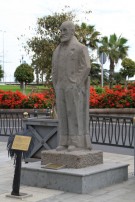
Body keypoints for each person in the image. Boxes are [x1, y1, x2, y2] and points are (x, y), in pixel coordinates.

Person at [52, 21, 92, 152]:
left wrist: (77, 82)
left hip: (73, 86)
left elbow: (86, 66)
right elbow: (54, 69)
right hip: (60, 86)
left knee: (73, 114)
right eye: (61, 30)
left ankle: (75, 142)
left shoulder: (80, 48)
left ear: (72, 31)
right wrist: (56, 84)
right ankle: (63, 141)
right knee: (62, 114)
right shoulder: (57, 50)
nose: (62, 33)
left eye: (65, 30)